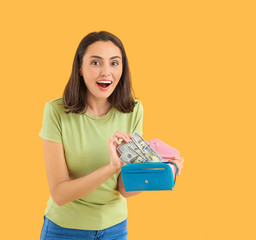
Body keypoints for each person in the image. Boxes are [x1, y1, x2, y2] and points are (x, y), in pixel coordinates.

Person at [39, 31, 184, 240]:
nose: (106, 72)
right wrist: (110, 168)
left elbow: (125, 189)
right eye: (96, 63)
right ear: (80, 68)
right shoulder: (56, 112)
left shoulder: (132, 110)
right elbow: (60, 194)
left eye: (114, 63)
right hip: (65, 229)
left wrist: (161, 172)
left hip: (115, 230)